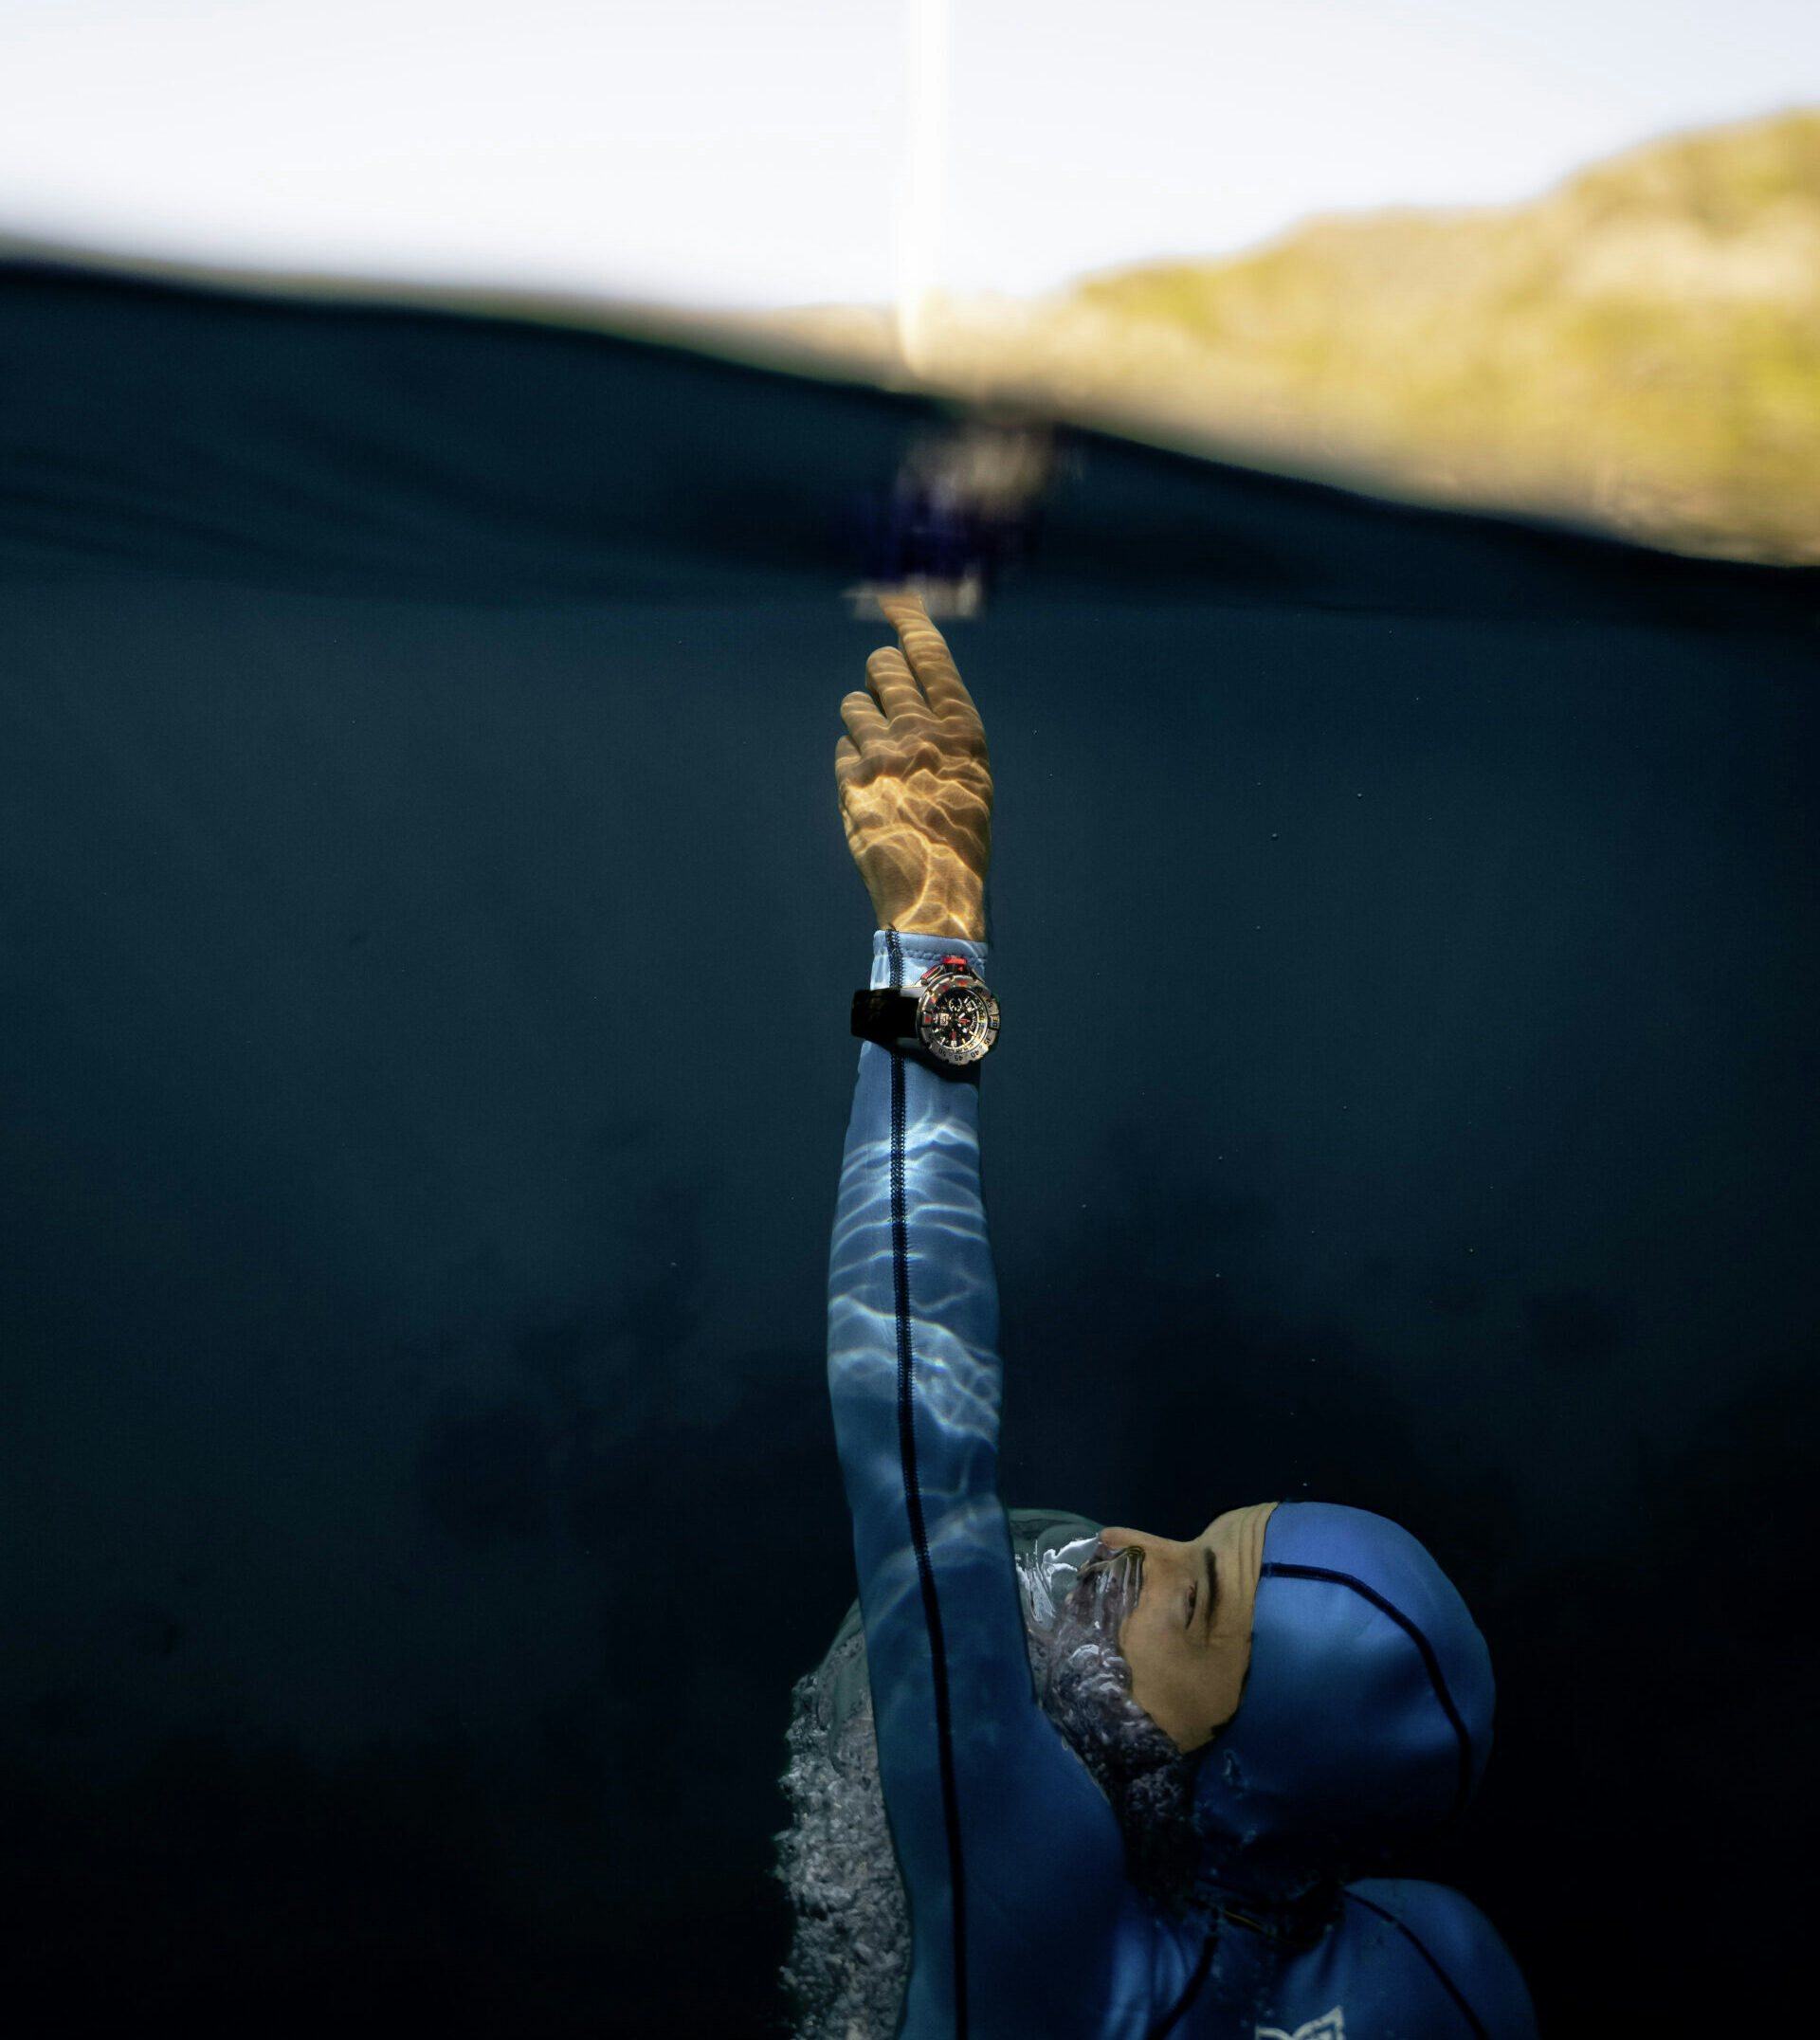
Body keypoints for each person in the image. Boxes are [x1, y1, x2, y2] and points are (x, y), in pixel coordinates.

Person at [780, 590, 1538, 2040]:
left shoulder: (1052, 1942)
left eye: (1194, 1597)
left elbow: (909, 1430)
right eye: (1204, 1533)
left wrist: (937, 945)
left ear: (1234, 1768)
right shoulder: (1446, 1965)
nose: (1123, 1544)